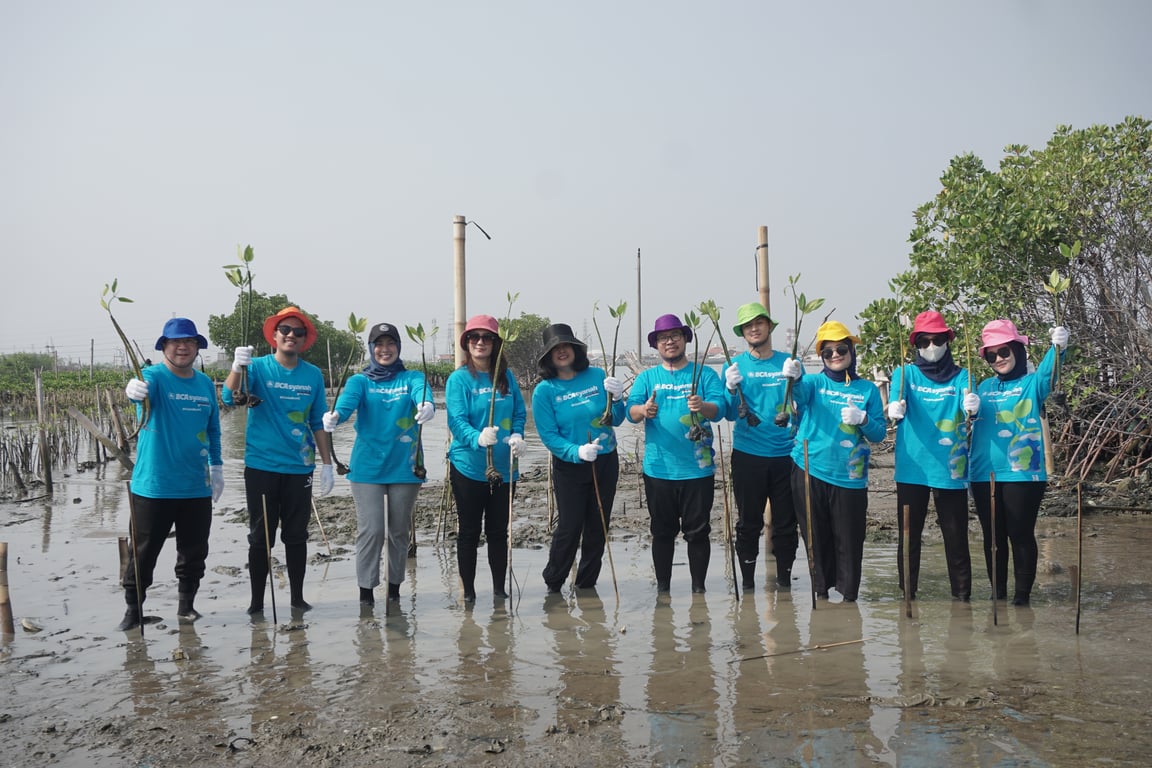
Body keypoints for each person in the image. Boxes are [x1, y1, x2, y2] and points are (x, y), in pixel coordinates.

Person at [223, 306, 333, 615]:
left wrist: (326, 464)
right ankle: (256, 602)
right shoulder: (255, 368)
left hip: (300, 467)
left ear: (304, 340)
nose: (291, 336)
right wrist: (236, 366)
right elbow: (229, 398)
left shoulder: (312, 375)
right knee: (261, 537)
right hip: (262, 466)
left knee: (296, 535)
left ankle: (297, 598)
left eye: (298, 333)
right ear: (274, 336)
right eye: (285, 330)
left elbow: (317, 422)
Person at [117, 318, 223, 630]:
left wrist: (217, 468)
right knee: (144, 554)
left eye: (189, 342)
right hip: (154, 486)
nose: (182, 347)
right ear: (164, 346)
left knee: (194, 553)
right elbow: (137, 396)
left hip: (196, 485)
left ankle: (186, 606)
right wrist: (132, 391)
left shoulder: (204, 384)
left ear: (197, 348)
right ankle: (133, 612)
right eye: (175, 342)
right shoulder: (152, 378)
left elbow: (214, 429)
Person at [321, 322, 435, 606]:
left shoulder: (412, 378)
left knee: (398, 532)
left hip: (406, 466)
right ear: (371, 349)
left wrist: (427, 406)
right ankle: (366, 594)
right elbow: (347, 405)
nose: (385, 350)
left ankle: (394, 592)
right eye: (378, 345)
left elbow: (422, 393)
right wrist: (335, 417)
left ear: (398, 347)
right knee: (371, 530)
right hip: (367, 468)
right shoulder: (360, 381)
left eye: (390, 344)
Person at [969, 319, 1068, 606]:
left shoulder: (1032, 383)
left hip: (1023, 475)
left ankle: (1021, 599)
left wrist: (1058, 348)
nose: (998, 358)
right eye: (992, 354)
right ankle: (997, 595)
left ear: (1017, 350)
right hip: (981, 474)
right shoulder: (983, 386)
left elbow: (1050, 372)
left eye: (1004, 351)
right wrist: (969, 409)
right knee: (993, 538)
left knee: (1020, 534)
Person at [626, 313, 726, 594]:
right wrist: (643, 410)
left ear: (685, 340)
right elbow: (630, 412)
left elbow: (720, 410)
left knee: (698, 532)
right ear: (656, 345)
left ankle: (698, 591)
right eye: (663, 338)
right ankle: (663, 591)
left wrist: (702, 405)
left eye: (675, 336)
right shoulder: (647, 377)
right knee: (662, 533)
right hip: (659, 469)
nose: (670, 342)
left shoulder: (703, 374)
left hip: (698, 468)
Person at [789, 320, 886, 602]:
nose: (834, 356)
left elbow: (879, 434)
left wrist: (864, 419)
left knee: (850, 539)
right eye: (827, 352)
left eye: (840, 349)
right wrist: (793, 377)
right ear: (821, 357)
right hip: (809, 468)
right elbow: (797, 395)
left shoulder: (867, 390)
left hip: (851, 475)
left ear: (851, 351)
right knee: (815, 538)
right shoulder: (813, 382)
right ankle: (820, 593)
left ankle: (848, 599)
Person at [887, 311, 981, 601]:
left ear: (947, 341)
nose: (931, 346)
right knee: (908, 539)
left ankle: (962, 601)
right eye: (924, 341)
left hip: (951, 470)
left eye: (936, 340)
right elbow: (894, 402)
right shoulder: (905, 374)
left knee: (956, 540)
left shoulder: (964, 376)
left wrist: (973, 408)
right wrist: (893, 410)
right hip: (911, 469)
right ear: (915, 344)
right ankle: (908, 598)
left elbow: (972, 415)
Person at [531, 323, 627, 594]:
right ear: (548, 357)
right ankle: (554, 582)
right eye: (555, 349)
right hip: (570, 466)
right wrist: (576, 452)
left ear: (575, 349)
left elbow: (616, 419)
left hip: (606, 460)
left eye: (566, 346)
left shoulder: (597, 376)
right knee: (570, 527)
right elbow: (549, 436)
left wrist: (619, 398)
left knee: (598, 526)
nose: (562, 351)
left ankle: (586, 585)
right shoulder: (545, 391)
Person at [445, 314, 527, 602]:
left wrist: (518, 435)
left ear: (496, 343)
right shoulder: (459, 379)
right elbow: (456, 420)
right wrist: (476, 438)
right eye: (474, 337)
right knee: (469, 531)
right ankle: (468, 592)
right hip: (468, 466)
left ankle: (499, 591)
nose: (480, 342)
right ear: (467, 343)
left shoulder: (506, 377)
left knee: (498, 532)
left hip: (505, 469)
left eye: (487, 338)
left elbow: (519, 411)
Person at [721, 302, 799, 591]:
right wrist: (730, 390)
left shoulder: (786, 362)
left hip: (786, 454)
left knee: (786, 524)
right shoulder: (734, 366)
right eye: (748, 325)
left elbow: (802, 402)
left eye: (759, 323)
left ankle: (784, 582)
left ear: (769, 327)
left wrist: (799, 378)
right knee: (748, 523)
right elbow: (728, 413)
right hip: (748, 455)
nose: (754, 328)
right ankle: (749, 585)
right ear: (742, 332)